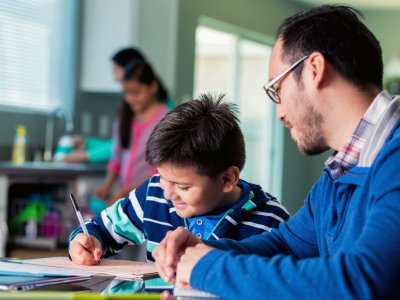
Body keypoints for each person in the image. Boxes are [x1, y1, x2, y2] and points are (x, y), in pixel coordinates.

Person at [152, 5, 400, 299]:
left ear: (315, 69)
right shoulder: (340, 172)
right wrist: (202, 249)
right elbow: (288, 245)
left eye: (276, 89)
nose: (278, 113)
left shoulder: (393, 157)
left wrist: (209, 267)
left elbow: (363, 281)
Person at [68, 94, 290, 265]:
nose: (167, 193)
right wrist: (86, 242)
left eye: (183, 186)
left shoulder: (271, 222)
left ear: (227, 179)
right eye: (161, 177)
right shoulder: (153, 194)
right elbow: (101, 228)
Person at [93, 59, 172, 204]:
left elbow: (163, 169)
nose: (130, 99)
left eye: (136, 92)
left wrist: (127, 191)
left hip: (153, 198)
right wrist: (107, 185)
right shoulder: (123, 118)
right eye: (126, 93)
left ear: (153, 87)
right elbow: (116, 157)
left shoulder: (166, 119)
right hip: (126, 198)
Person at [60, 47, 147, 165]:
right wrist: (87, 143)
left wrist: (88, 155)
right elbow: (120, 145)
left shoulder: (158, 111)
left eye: (116, 71)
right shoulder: (129, 110)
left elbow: (130, 146)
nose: (115, 79)